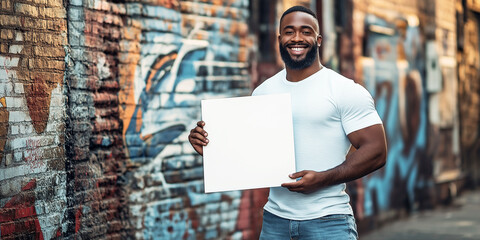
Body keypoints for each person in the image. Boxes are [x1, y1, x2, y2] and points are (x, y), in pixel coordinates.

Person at [188, 5, 387, 239]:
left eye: (306, 31)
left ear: (319, 39)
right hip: (275, 223)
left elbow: (377, 151)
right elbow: (254, 154)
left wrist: (323, 179)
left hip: (328, 222)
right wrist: (213, 150)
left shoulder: (344, 90)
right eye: (290, 31)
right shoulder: (263, 92)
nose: (297, 38)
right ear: (280, 38)